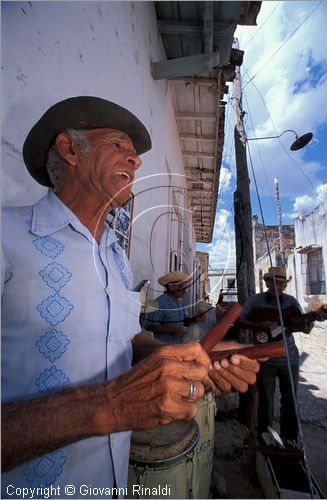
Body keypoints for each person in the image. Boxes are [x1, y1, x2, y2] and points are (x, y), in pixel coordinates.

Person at [1, 96, 260, 498]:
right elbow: (114, 400)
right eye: (118, 145)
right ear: (70, 150)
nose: (136, 161)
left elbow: (126, 341)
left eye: (135, 153)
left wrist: (181, 359)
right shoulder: (6, 239)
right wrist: (112, 406)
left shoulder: (116, 260)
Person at [237, 266, 327, 444]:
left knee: (290, 401)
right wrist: (259, 326)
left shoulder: (291, 302)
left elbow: (304, 328)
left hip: (290, 359)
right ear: (266, 283)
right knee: (266, 402)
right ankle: (265, 438)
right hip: (265, 359)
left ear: (285, 286)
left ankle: (290, 439)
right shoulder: (255, 301)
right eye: (272, 282)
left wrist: (312, 319)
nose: (276, 286)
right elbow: (239, 320)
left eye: (280, 283)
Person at [144, 271, 206, 344]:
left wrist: (195, 319)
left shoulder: (180, 303)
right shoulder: (159, 303)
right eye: (182, 286)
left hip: (178, 346)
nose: (184, 289)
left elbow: (183, 321)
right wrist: (172, 330)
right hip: (164, 348)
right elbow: (149, 325)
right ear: (171, 287)